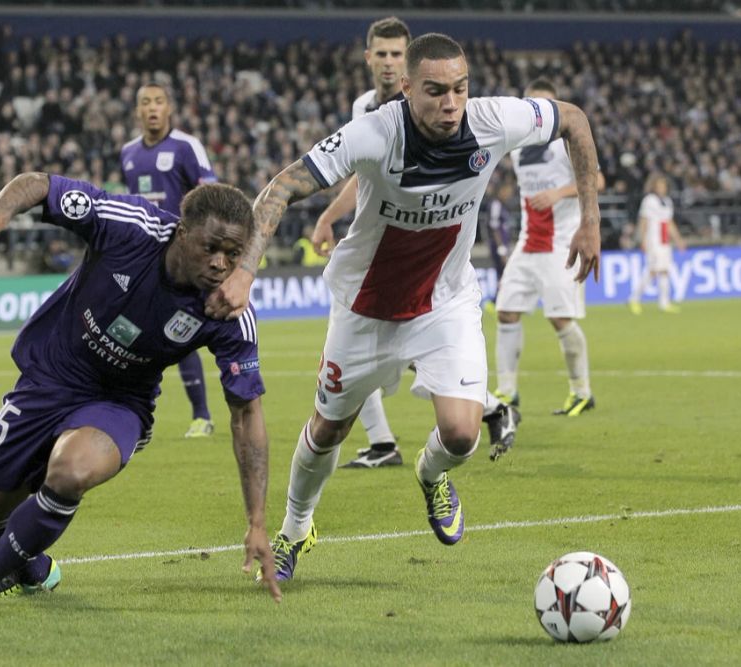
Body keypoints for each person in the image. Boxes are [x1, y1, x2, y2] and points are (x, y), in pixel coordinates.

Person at [205, 34, 601, 580]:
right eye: (436, 91)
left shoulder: (495, 120)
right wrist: (246, 269)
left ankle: (432, 473)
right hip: (365, 307)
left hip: (444, 302)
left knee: (462, 433)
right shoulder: (374, 132)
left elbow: (574, 119)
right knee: (327, 430)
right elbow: (281, 187)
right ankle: (297, 529)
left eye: (460, 89)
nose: (451, 103)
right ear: (407, 88)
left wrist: (591, 220)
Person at [0, 172, 280, 625]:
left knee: (71, 470)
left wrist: (257, 521)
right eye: (211, 248)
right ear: (182, 232)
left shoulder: (228, 312)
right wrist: (2, 212)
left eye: (233, 254)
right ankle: (32, 567)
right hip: (51, 377)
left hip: (121, 402)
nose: (221, 264)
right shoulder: (130, 227)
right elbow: (42, 184)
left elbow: (246, 413)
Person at [311, 16, 411, 469]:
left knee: (396, 343)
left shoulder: (421, 103)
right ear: (368, 56)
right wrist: (330, 217)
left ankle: (489, 406)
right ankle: (382, 442)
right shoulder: (362, 107)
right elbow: (359, 174)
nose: (389, 62)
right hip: (371, 242)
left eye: (397, 54)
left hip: (410, 242)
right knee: (360, 340)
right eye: (382, 54)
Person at [493, 79, 606, 437]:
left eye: (545, 104)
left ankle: (581, 391)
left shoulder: (565, 142)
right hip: (529, 243)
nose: (539, 112)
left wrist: (559, 192)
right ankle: (508, 390)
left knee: (560, 318)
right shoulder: (519, 146)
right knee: (506, 311)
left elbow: (597, 182)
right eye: (532, 104)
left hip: (561, 242)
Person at [122, 82, 218, 439]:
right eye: (145, 102)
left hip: (184, 258)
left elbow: (211, 193)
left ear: (169, 109)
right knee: (139, 335)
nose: (152, 108)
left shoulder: (186, 146)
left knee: (179, 331)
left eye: (158, 101)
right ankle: (135, 414)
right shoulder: (128, 153)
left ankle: (203, 415)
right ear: (137, 111)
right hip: (145, 259)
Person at [628, 173, 686, 314]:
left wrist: (678, 240)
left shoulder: (667, 201)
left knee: (665, 270)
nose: (662, 188)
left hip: (664, 240)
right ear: (654, 187)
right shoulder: (649, 201)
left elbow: (669, 222)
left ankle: (664, 303)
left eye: (664, 186)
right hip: (653, 239)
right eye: (659, 186)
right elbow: (643, 221)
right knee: (653, 270)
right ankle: (634, 299)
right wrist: (642, 240)